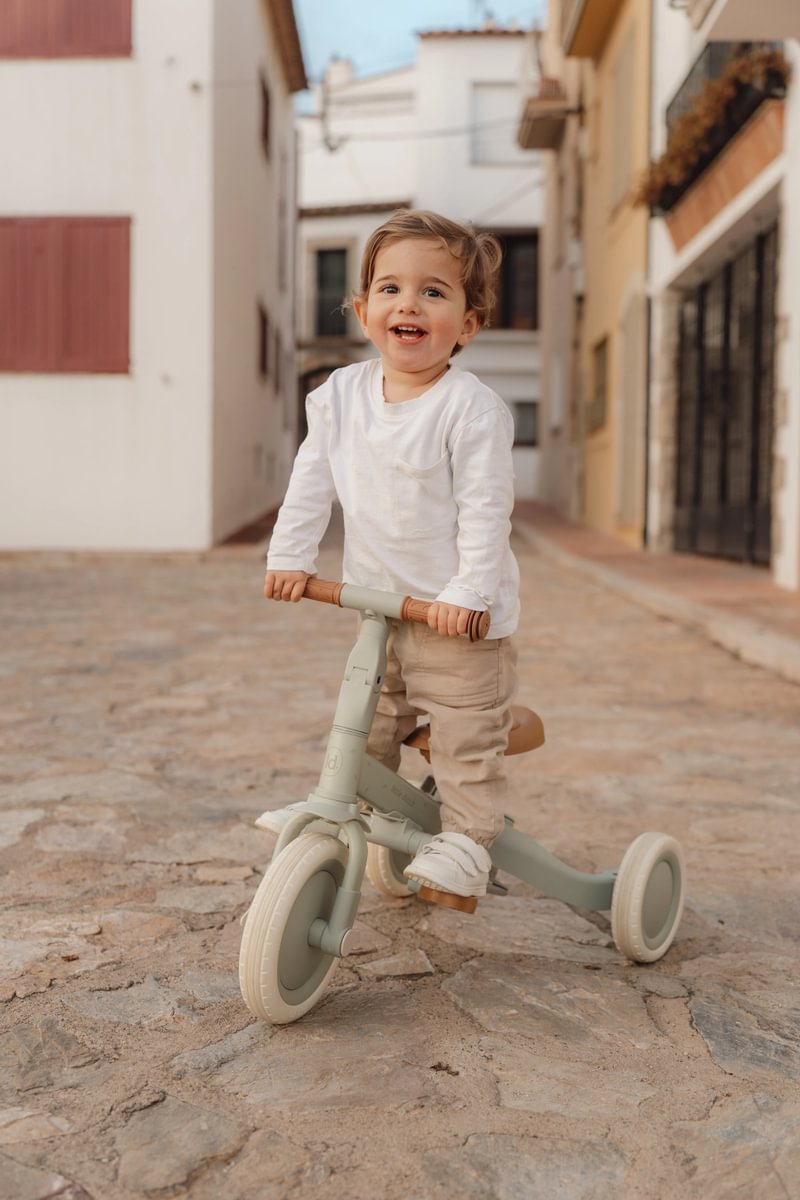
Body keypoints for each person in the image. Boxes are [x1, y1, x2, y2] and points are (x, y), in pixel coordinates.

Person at [264, 209, 520, 902]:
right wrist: (290, 556)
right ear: (362, 310)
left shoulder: (471, 409)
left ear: (467, 324)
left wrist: (468, 594)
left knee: (463, 737)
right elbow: (311, 479)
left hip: (457, 621)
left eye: (434, 292)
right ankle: (348, 808)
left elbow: (486, 512)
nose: (409, 303)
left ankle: (468, 839)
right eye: (390, 289)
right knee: (365, 726)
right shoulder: (338, 396)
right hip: (381, 609)